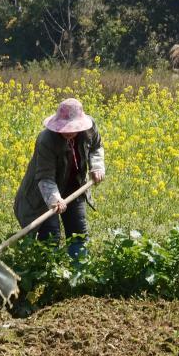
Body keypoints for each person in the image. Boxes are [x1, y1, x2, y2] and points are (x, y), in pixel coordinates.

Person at [14, 97, 105, 260]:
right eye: (64, 128)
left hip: (74, 186)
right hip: (43, 192)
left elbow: (96, 147)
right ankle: (47, 270)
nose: (68, 132)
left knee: (78, 232)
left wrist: (97, 166)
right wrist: (55, 199)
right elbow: (45, 176)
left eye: (72, 128)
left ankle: (79, 270)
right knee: (50, 235)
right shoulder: (46, 140)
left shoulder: (89, 129)